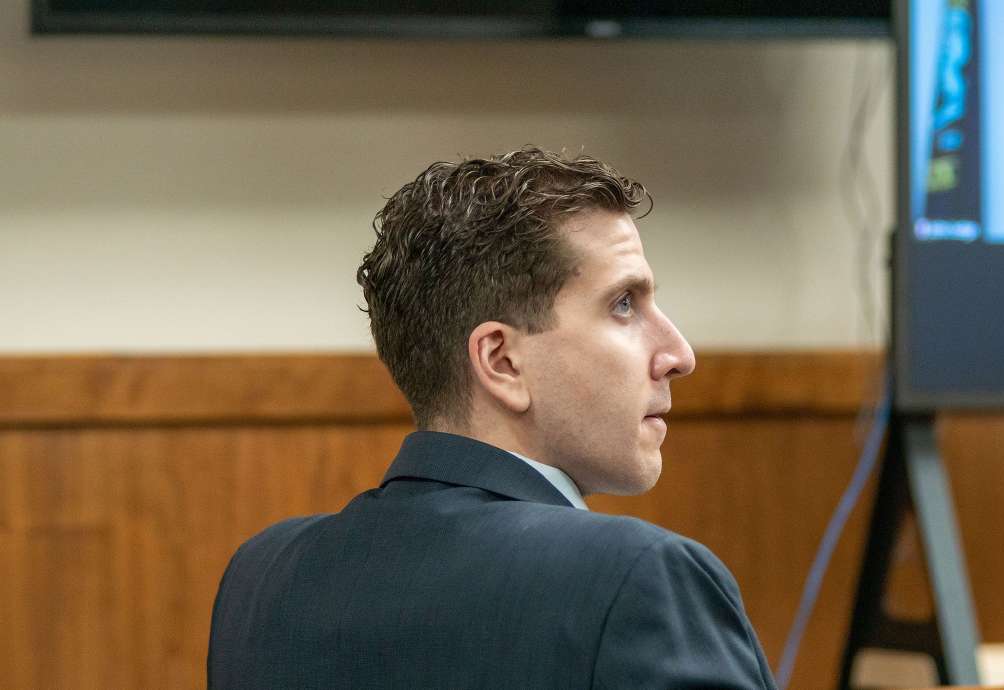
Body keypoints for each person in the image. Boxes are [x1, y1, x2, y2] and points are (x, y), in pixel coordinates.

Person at [207, 148, 777, 689]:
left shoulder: (259, 578)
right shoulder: (642, 576)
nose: (679, 354)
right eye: (624, 304)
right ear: (502, 362)